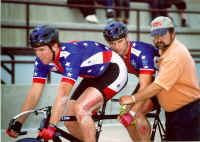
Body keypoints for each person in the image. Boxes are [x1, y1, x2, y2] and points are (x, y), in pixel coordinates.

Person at [6, 25, 128, 142]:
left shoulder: (70, 55)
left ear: (54, 46)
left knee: (81, 109)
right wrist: (19, 122)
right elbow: (34, 93)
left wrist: (52, 125)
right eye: (36, 50)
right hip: (93, 75)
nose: (39, 54)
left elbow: (63, 95)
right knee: (70, 121)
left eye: (42, 49)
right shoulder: (41, 61)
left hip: (113, 68)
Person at [119, 16, 200, 141]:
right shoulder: (164, 50)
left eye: (162, 34)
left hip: (186, 111)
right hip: (173, 110)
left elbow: (157, 86)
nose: (158, 39)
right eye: (155, 36)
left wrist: (133, 98)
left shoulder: (175, 54)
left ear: (173, 33)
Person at [103, 21, 160, 141]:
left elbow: (145, 86)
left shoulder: (141, 52)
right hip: (149, 81)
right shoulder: (114, 54)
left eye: (120, 42)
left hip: (163, 82)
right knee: (125, 115)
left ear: (127, 38)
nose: (117, 47)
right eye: (112, 43)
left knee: (136, 113)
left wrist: (133, 112)